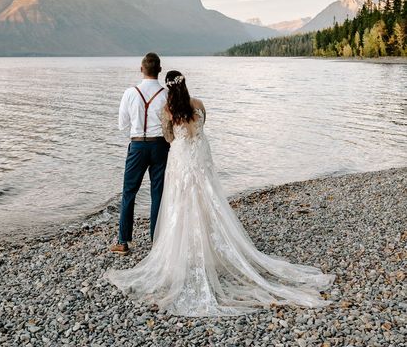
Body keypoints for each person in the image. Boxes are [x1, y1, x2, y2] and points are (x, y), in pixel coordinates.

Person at [105, 70, 335, 316]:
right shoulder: (199, 104)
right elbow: (204, 124)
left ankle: (181, 249)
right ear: (185, 84)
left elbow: (169, 137)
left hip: (182, 158)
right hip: (201, 155)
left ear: (169, 89)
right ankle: (210, 247)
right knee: (207, 199)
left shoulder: (168, 111)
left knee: (181, 202)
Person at [111, 53, 169, 255]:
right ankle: (157, 241)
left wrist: (137, 135)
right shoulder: (166, 93)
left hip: (137, 146)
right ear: (159, 70)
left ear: (141, 69)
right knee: (158, 194)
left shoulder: (130, 93)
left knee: (129, 193)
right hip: (160, 146)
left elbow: (122, 125)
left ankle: (123, 241)